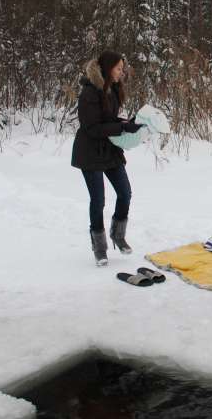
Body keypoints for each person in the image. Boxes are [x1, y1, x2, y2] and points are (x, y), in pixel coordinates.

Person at [71, 51, 144, 266]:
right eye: (119, 68)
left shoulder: (112, 88)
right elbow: (92, 128)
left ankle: (117, 235)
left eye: (123, 68)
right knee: (99, 200)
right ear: (107, 67)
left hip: (109, 149)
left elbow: (109, 120)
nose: (122, 72)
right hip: (90, 152)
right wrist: (121, 126)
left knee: (125, 193)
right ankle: (100, 247)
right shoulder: (89, 93)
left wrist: (131, 123)